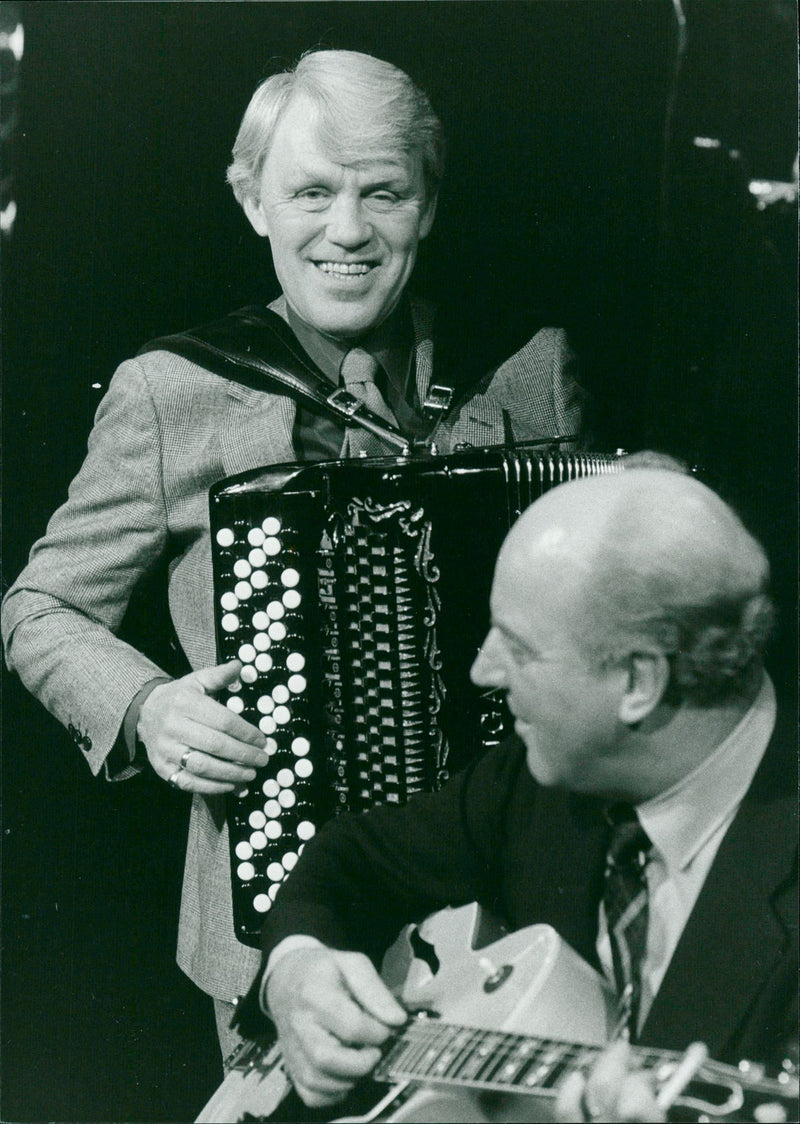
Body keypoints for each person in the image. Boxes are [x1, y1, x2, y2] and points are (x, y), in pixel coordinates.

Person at [1, 49, 585, 1059]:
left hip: (508, 911)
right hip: (280, 930)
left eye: (382, 193)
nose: (347, 231)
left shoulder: (527, 373)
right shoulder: (172, 393)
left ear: (427, 206)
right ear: (252, 201)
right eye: (311, 192)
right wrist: (146, 707)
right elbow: (38, 606)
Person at [241, 466, 796, 1122]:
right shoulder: (545, 775)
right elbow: (355, 857)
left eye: (520, 648)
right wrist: (295, 968)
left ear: (638, 681)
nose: (482, 671)